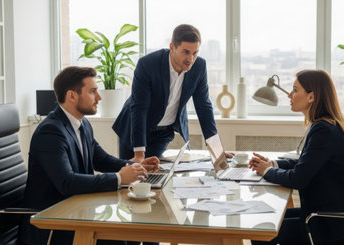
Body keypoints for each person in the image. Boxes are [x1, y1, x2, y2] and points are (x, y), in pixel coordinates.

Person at [19, 66, 159, 245]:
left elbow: (100, 159)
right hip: (51, 223)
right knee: (122, 237)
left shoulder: (82, 124)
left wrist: (135, 167)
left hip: (76, 210)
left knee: (140, 230)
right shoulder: (51, 131)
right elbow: (66, 182)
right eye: (93, 91)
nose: (99, 97)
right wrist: (119, 178)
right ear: (71, 96)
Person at [249, 70, 344, 244]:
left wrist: (266, 171)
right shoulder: (324, 125)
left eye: (295, 90)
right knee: (264, 221)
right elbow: (305, 164)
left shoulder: (324, 130)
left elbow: (298, 178)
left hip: (335, 227)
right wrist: (273, 163)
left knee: (260, 232)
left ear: (311, 97)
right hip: (330, 216)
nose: (290, 94)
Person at [112, 24, 219, 163]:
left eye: (195, 53)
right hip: (134, 129)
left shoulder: (199, 67)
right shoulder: (148, 64)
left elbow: (204, 106)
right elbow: (139, 108)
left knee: (154, 174)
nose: (190, 59)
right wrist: (139, 154)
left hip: (163, 133)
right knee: (131, 178)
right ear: (172, 47)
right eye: (185, 52)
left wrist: (217, 150)